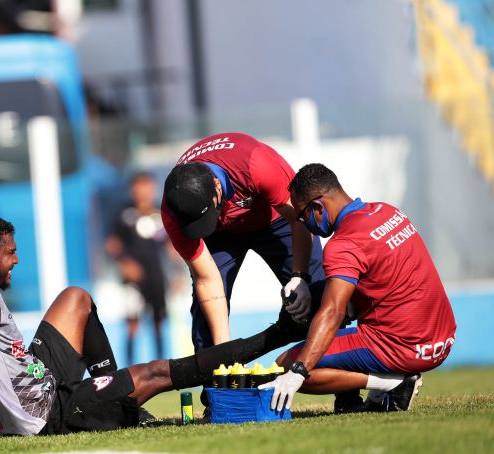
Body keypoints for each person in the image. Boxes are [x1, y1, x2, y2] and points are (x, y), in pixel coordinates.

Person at [0, 215, 300, 443]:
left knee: (76, 298)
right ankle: (280, 332)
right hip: (48, 412)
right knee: (156, 372)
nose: (16, 259)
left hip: (40, 378)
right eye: (10, 252)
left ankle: (110, 388)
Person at [259, 163, 457, 413]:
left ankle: (392, 384)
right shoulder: (388, 212)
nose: (303, 224)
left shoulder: (343, 244)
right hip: (442, 341)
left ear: (318, 207)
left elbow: (333, 312)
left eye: (302, 216)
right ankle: (376, 392)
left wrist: (299, 372)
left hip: (403, 348)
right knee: (327, 303)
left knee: (284, 364)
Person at [162, 132, 325, 351]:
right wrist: (222, 354)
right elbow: (206, 279)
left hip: (277, 219)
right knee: (205, 314)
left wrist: (300, 277)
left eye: (206, 213)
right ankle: (213, 380)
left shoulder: (256, 165)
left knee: (318, 291)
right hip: (221, 235)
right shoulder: (173, 213)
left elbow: (300, 218)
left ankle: (340, 373)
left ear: (217, 188)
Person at [105, 171, 168, 365]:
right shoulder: (123, 214)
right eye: (137, 186)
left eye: (145, 186)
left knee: (158, 322)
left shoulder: (161, 214)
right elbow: (111, 245)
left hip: (156, 276)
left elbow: (171, 245)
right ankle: (131, 370)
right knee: (132, 322)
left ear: (153, 188)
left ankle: (161, 367)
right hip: (133, 278)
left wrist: (179, 272)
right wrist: (125, 263)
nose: (141, 191)